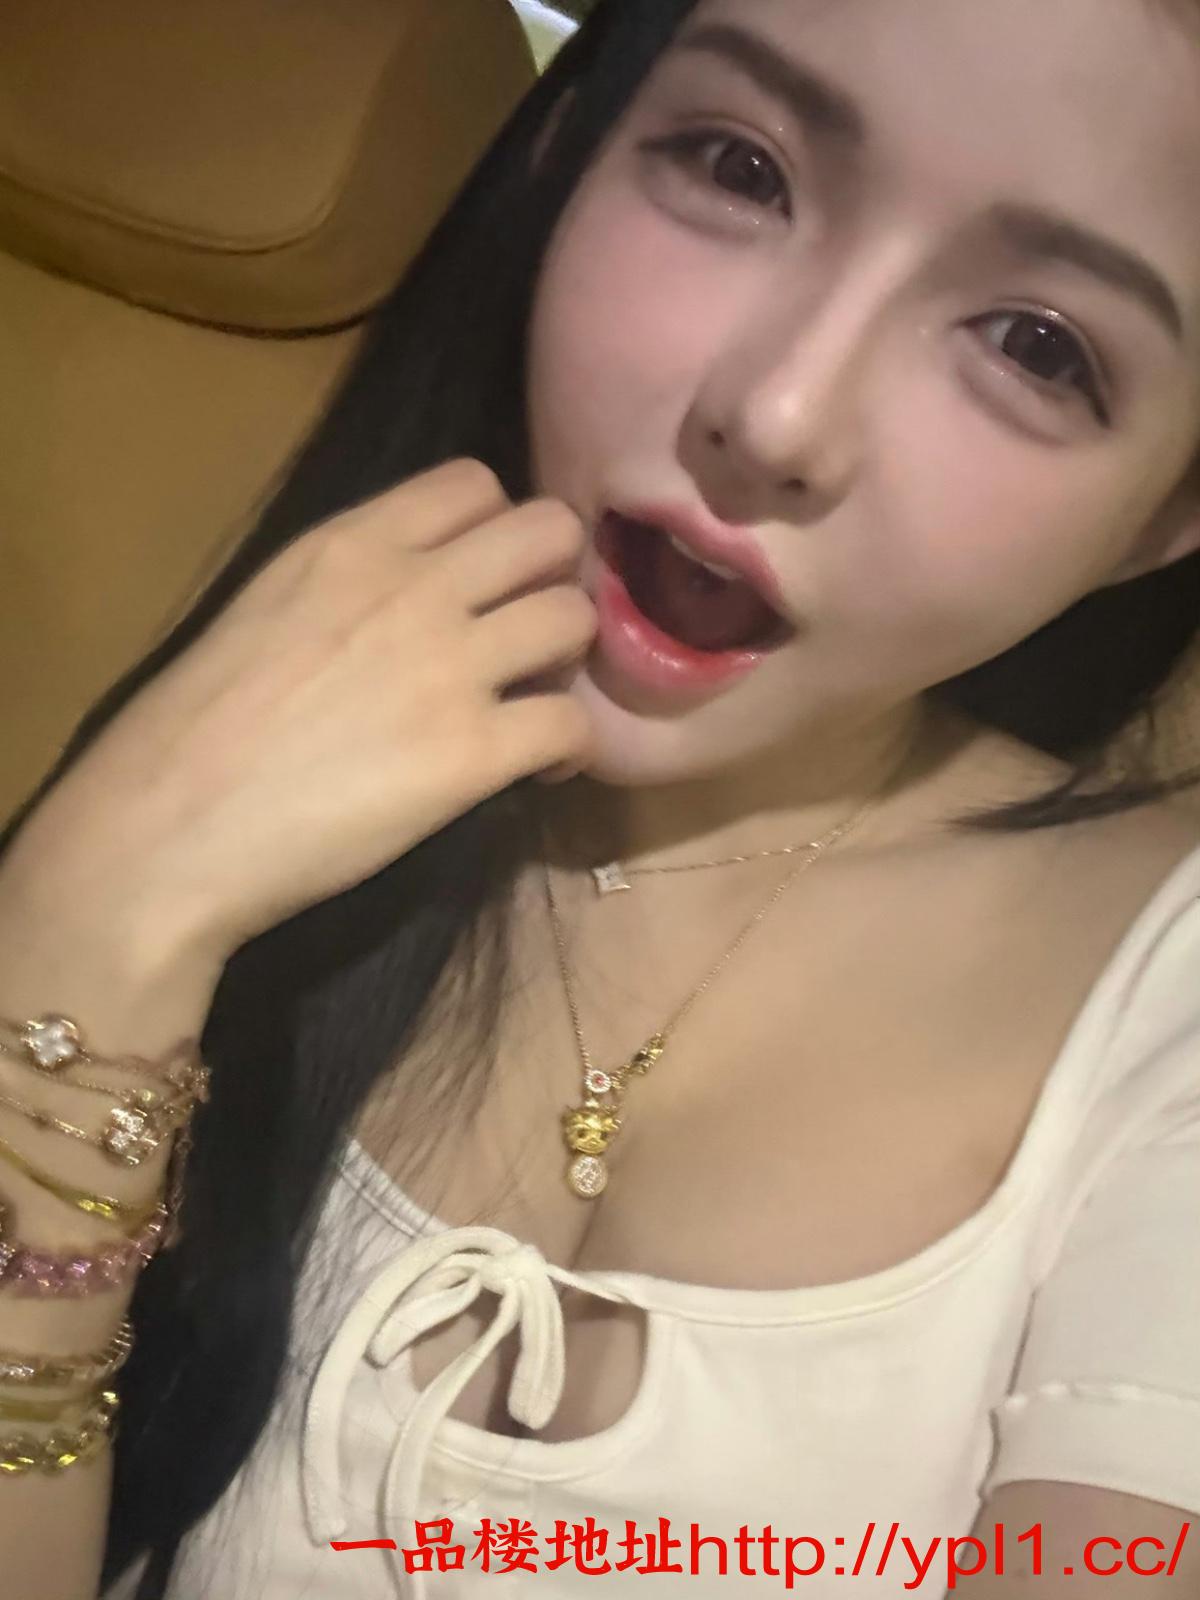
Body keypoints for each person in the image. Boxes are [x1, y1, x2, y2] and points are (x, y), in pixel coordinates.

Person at [0, 0, 1198, 1594]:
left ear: (1164, 516)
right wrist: (84, 938)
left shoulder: (1167, 1029)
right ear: (565, 155)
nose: (778, 415)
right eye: (739, 167)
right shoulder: (265, 739)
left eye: (1037, 347)